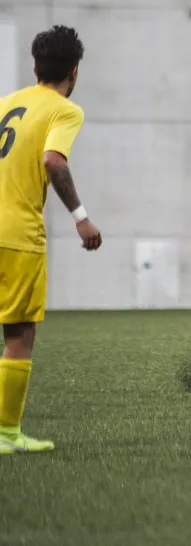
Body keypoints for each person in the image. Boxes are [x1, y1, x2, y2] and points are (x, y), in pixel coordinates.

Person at [0, 25, 102, 455]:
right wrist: (81, 218)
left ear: (34, 66)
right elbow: (53, 161)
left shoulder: (7, 104)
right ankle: (7, 434)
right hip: (17, 235)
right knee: (18, 333)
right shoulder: (65, 110)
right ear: (74, 71)